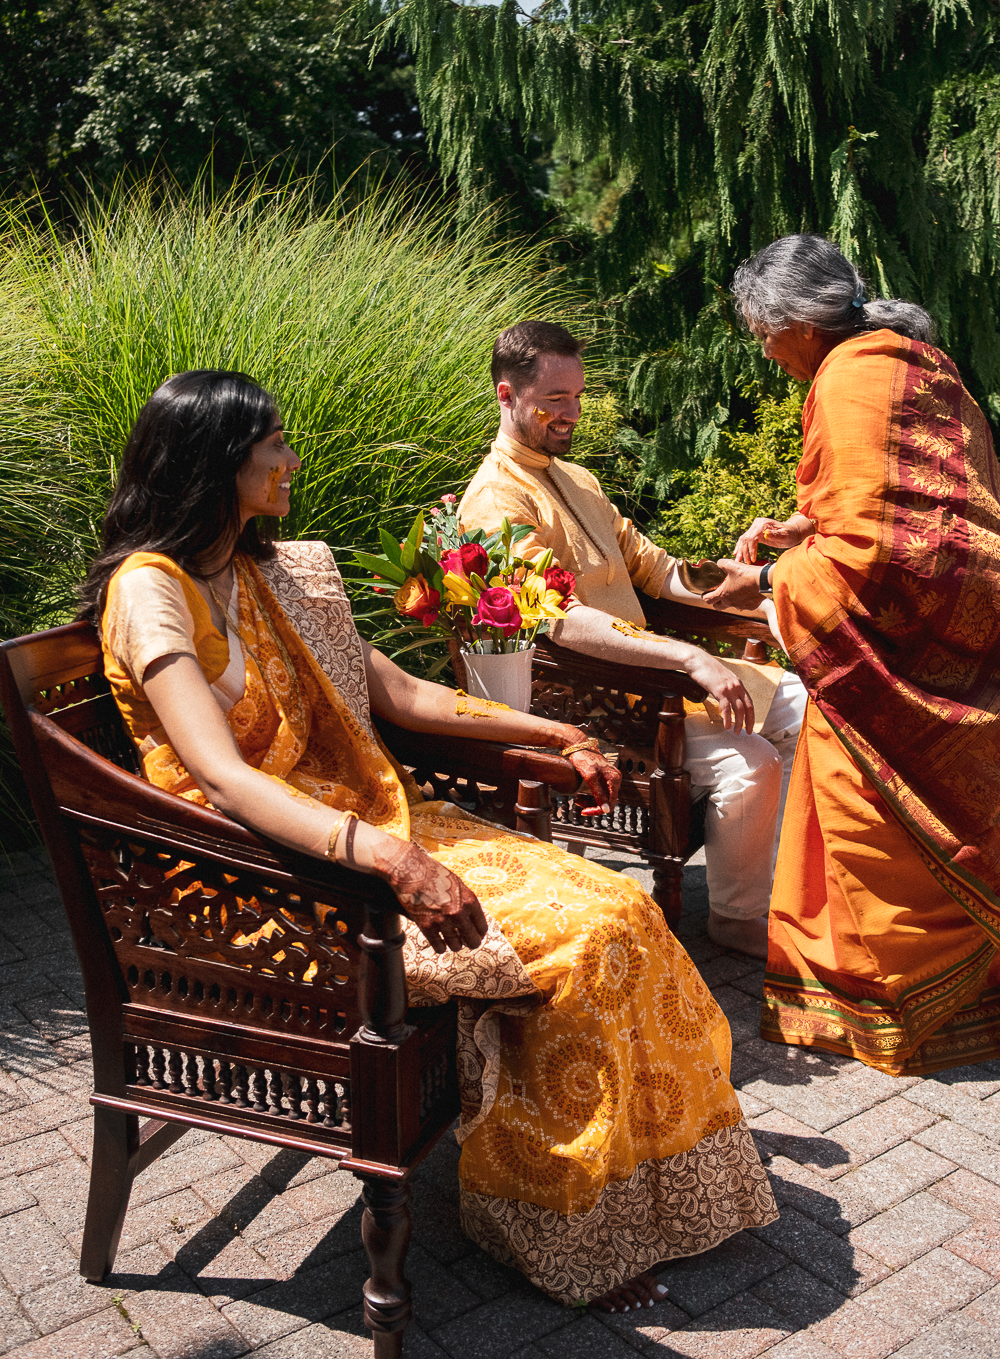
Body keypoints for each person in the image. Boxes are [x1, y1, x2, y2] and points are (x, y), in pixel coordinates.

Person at [79, 369, 777, 1311]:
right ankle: (558, 1223)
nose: (291, 459)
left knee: (622, 912)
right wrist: (389, 858)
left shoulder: (261, 571)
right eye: (271, 445)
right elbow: (222, 778)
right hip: (274, 884)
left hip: (363, 834)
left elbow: (400, 697)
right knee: (584, 944)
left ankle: (637, 1196)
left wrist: (547, 733)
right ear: (212, 463)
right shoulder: (150, 592)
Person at [704, 233, 1000, 1075]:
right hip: (963, 618)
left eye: (764, 332)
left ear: (798, 322)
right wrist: (805, 527)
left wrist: (768, 579)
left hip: (888, 639)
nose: (765, 351)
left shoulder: (844, 381)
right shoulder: (917, 362)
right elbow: (931, 507)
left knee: (862, 816)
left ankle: (886, 1006)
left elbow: (875, 550)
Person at [460, 320, 807, 959]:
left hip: (652, 679)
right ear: (507, 396)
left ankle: (780, 882)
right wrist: (689, 656)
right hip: (591, 699)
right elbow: (556, 619)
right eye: (554, 400)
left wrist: (766, 592)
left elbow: (661, 571)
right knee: (752, 761)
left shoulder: (580, 482)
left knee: (815, 711)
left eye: (578, 395)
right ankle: (737, 916)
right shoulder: (493, 503)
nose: (571, 412)